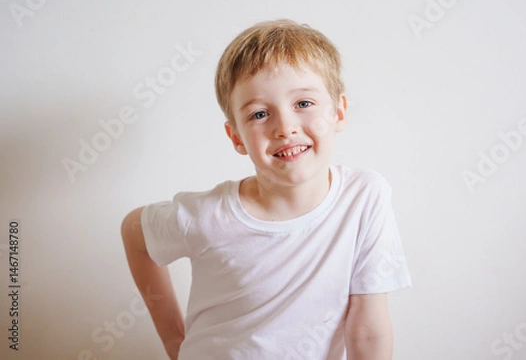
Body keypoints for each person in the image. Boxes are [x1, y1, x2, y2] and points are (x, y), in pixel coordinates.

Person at [121, 19, 412, 360]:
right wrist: (174, 341)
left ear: (339, 112)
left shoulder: (365, 197)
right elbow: (134, 231)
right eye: (260, 114)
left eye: (303, 104)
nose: (285, 128)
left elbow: (367, 330)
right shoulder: (206, 216)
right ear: (236, 137)